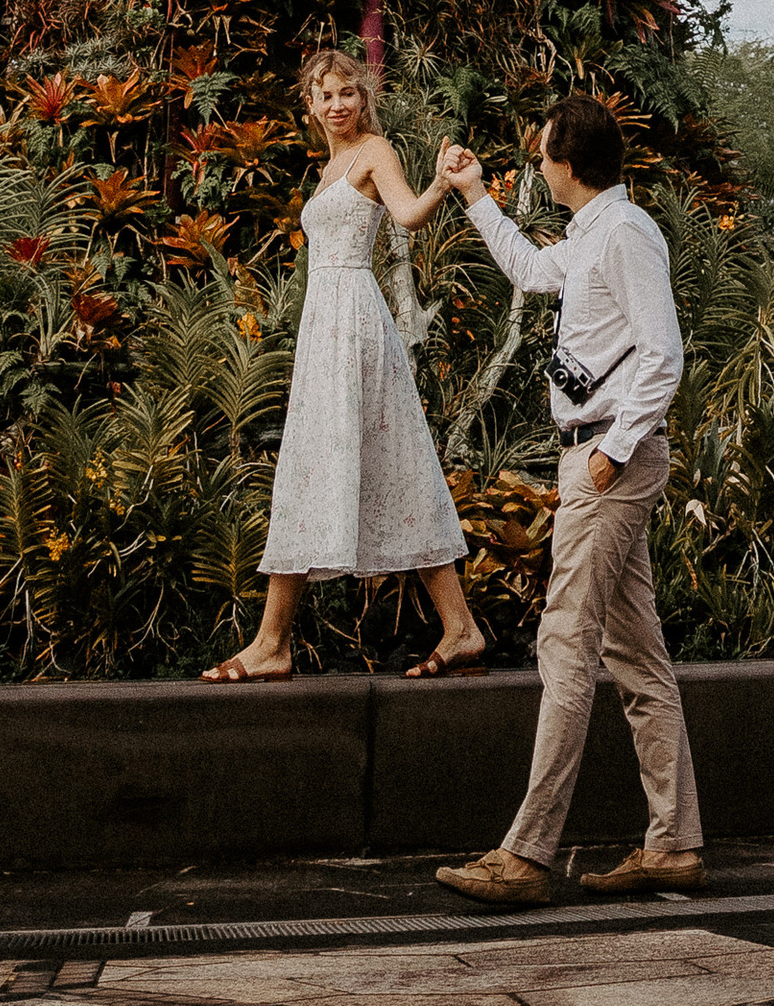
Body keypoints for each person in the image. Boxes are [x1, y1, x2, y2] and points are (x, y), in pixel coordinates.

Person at [431, 95, 704, 908]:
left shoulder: (623, 235)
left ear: (566, 160)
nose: (535, 164)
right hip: (596, 452)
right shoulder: (591, 235)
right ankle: (675, 844)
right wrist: (475, 194)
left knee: (567, 643)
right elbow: (529, 269)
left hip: (608, 457)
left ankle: (528, 854)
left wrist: (612, 455)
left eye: (539, 153)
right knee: (636, 655)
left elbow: (664, 353)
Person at [203, 44, 486, 682]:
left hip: (355, 323)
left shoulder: (374, 152)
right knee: (355, 465)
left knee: (363, 462)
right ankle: (456, 628)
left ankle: (276, 643)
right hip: (323, 327)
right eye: (325, 95)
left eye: (348, 93)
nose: (338, 105)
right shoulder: (331, 165)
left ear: (365, 98)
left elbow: (407, 215)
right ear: (311, 105)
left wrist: (444, 179)